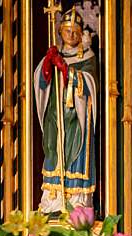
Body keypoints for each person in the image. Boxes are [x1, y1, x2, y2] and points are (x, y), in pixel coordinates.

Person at [34, 6, 98, 214]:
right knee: (53, 152)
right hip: (56, 115)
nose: (70, 35)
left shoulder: (87, 56)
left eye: (75, 32)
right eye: (67, 31)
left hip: (76, 119)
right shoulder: (55, 55)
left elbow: (90, 85)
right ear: (60, 31)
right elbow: (41, 84)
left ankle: (77, 199)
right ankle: (54, 198)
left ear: (81, 35)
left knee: (76, 154)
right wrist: (47, 67)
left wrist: (67, 72)